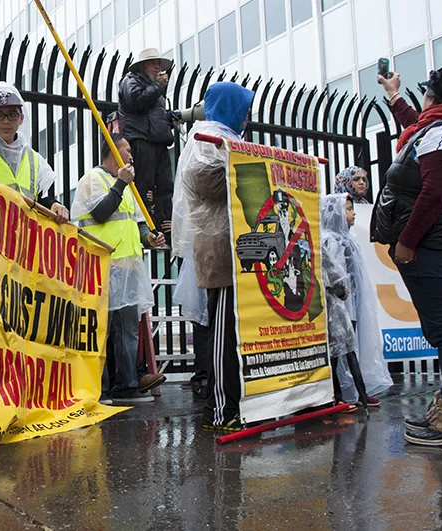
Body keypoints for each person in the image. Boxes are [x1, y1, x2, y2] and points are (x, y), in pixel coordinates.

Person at [374, 66, 442, 446]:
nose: (424, 99)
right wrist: (395, 96)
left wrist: (408, 241)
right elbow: (420, 129)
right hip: (437, 245)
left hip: (431, 247)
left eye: (427, 92)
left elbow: (433, 193)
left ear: (437, 98)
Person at [173, 81, 254, 430]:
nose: (248, 116)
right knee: (223, 333)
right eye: (244, 108)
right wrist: (249, 170)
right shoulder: (206, 138)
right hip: (219, 253)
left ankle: (236, 404)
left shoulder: (228, 139)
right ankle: (219, 411)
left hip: (238, 248)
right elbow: (204, 181)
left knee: (238, 331)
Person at [71, 133, 166, 404]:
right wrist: (121, 185)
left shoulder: (128, 186)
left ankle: (128, 385)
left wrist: (149, 237)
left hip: (128, 265)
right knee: (101, 327)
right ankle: (98, 389)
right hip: (102, 265)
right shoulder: (93, 179)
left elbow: (137, 223)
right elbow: (100, 213)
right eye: (126, 150)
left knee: (128, 328)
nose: (131, 156)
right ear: (112, 152)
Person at [322, 194, 393, 413]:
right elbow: (331, 273)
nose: (353, 214)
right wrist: (340, 291)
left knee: (350, 346)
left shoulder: (347, 239)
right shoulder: (330, 240)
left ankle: (357, 391)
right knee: (337, 350)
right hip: (338, 304)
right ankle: (338, 394)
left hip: (351, 303)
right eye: (348, 209)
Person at [0, 82, 69, 224]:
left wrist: (52, 204)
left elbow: (35, 199)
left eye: (12, 114)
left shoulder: (34, 159)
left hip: (22, 239)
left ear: (21, 118)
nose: (6, 121)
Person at [118, 48, 177, 239]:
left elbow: (153, 116)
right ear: (142, 66)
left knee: (165, 186)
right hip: (141, 141)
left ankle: (163, 229)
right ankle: (143, 230)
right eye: (154, 63)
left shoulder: (154, 89)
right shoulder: (130, 81)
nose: (158, 68)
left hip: (158, 143)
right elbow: (135, 102)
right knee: (142, 186)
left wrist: (170, 118)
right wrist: (159, 88)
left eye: (159, 64)